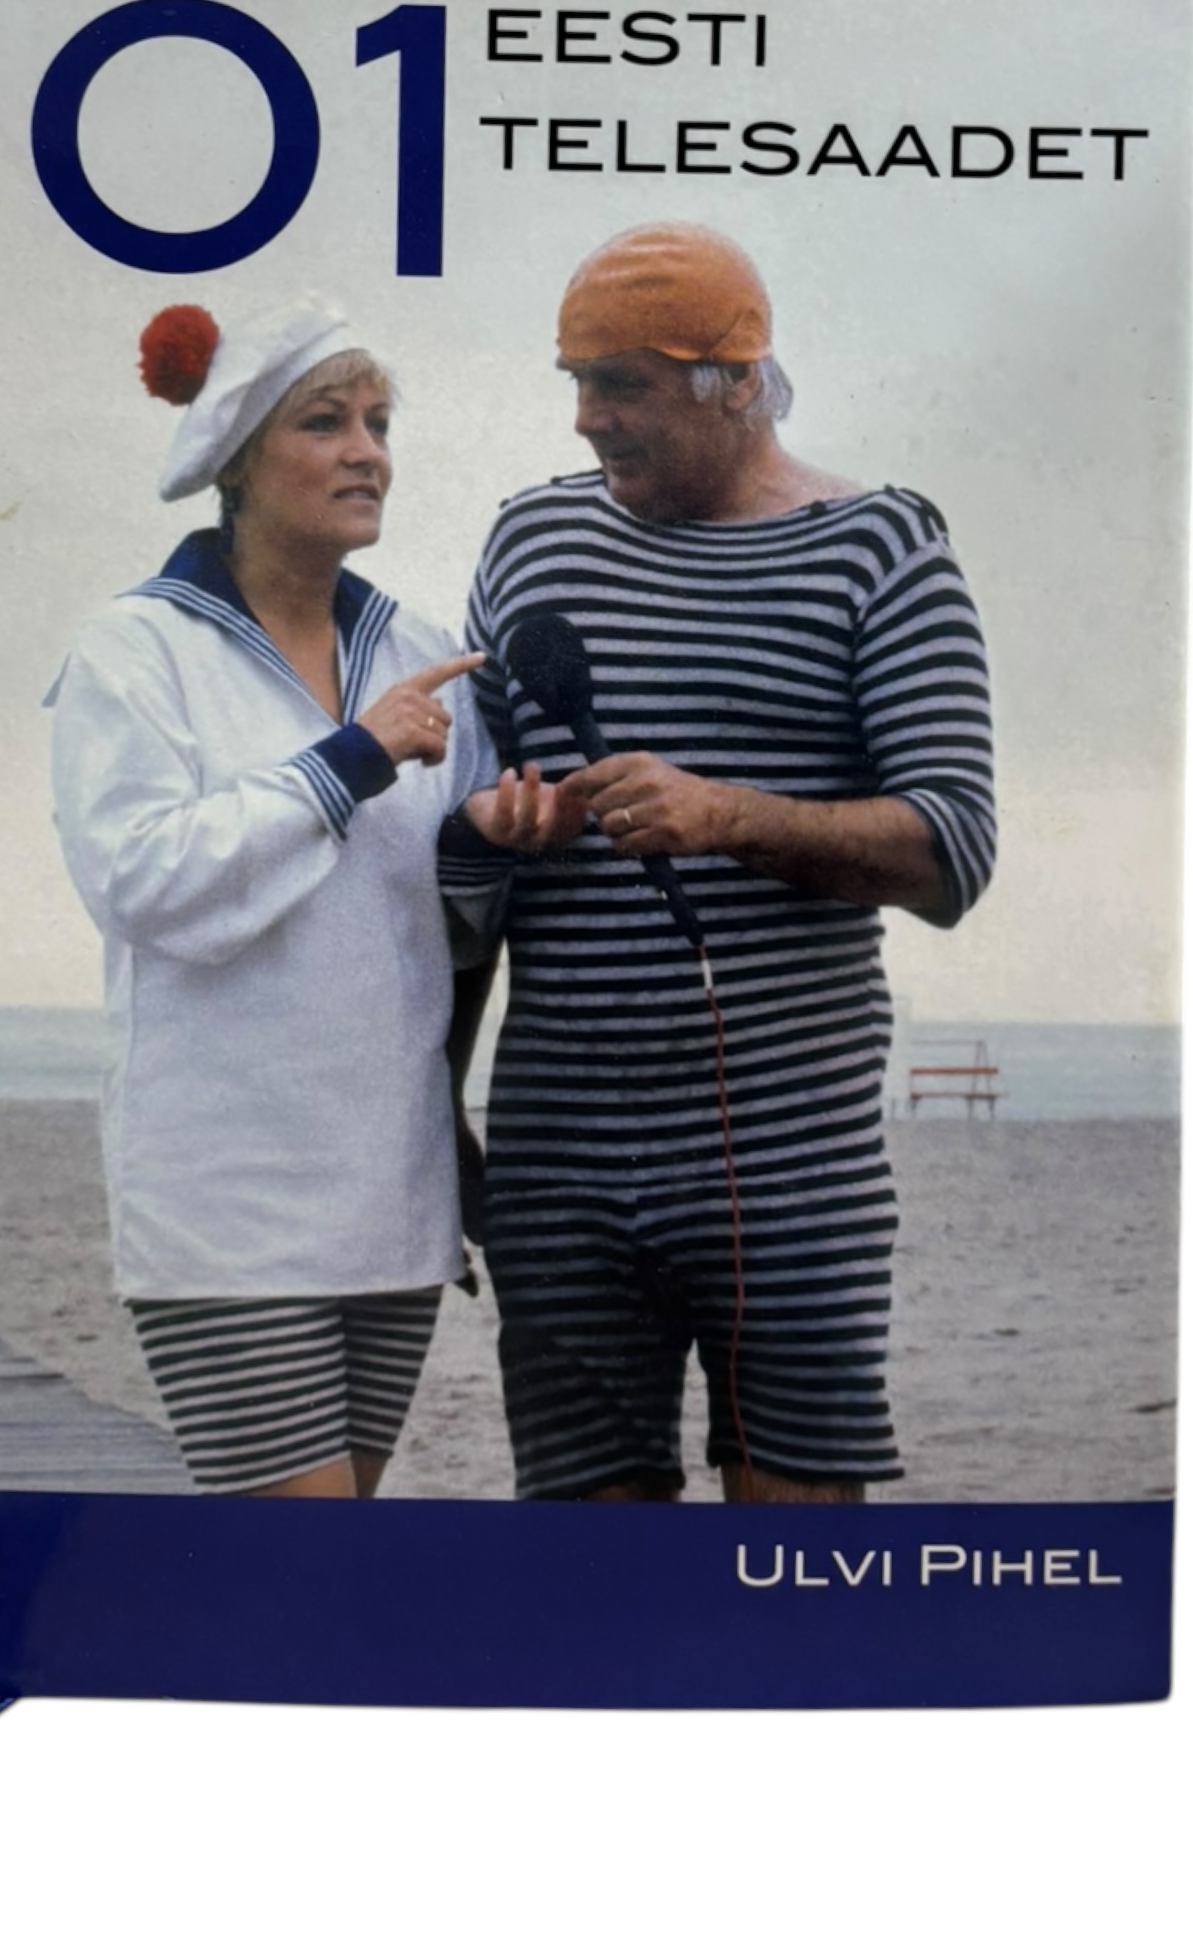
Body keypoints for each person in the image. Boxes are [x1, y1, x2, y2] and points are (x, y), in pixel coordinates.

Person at [463, 224, 997, 1504]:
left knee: (795, 1553)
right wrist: (488, 822)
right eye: (576, 381)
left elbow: (953, 851)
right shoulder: (530, 541)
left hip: (788, 1168)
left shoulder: (881, 551)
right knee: (584, 1562)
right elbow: (454, 867)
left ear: (737, 382)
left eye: (624, 385)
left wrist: (728, 816)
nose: (588, 418)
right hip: (553, 1161)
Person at [49, 295, 508, 1500]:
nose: (367, 452)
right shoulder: (136, 649)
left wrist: (496, 841)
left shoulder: (420, 653)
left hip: (394, 1193)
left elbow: (441, 924)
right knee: (295, 1561)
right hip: (228, 1207)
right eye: (325, 422)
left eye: (379, 423)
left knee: (330, 1559)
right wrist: (348, 760)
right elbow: (145, 883)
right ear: (238, 461)